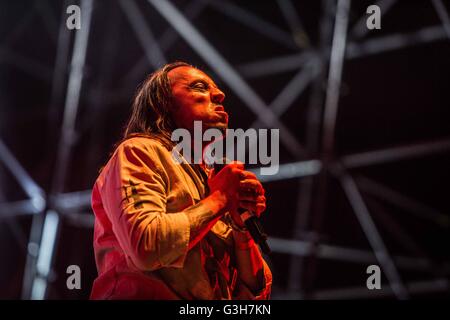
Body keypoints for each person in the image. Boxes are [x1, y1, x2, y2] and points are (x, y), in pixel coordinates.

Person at [90, 61, 272, 300]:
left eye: (216, 90)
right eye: (198, 87)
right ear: (162, 104)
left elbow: (257, 293)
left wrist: (240, 227)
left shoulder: (213, 180)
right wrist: (221, 199)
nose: (219, 94)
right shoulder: (139, 151)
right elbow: (145, 246)